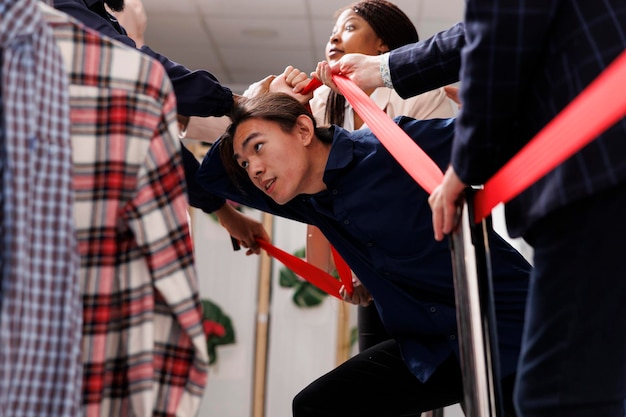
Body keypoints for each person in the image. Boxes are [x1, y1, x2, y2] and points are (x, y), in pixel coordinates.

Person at [321, 3, 626, 416]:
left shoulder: (423, 108)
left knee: (556, 396)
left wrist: (463, 163)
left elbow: (496, 40)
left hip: (594, 177)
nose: (336, 38)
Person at [195, 90, 531, 416]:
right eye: (244, 161)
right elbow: (210, 175)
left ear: (303, 129)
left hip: (508, 325)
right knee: (317, 407)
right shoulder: (306, 200)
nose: (253, 168)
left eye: (258, 147)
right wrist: (259, 94)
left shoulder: (391, 147)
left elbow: (499, 135)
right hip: (434, 347)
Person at [53, 0, 269, 254]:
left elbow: (147, 131)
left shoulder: (95, 13)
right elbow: (135, 67)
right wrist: (230, 102)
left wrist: (220, 208)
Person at [301, 0, 456, 352]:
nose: (335, 38)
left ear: (382, 46)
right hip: (379, 279)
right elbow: (320, 193)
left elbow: (423, 176)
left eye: (349, 27)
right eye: (333, 32)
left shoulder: (420, 92)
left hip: (437, 265)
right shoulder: (321, 103)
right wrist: (354, 268)